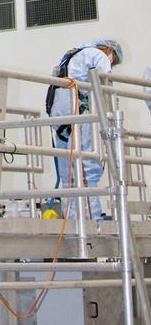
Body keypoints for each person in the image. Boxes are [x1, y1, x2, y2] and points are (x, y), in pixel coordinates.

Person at [48, 40, 123, 220]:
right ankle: (92, 220)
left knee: (68, 176)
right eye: (114, 60)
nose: (111, 62)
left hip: (60, 117)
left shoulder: (72, 55)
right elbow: (105, 85)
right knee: (88, 170)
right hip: (79, 116)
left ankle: (73, 219)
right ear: (109, 50)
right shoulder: (97, 55)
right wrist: (111, 118)